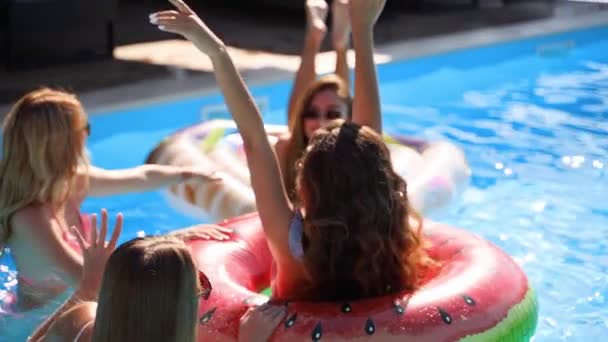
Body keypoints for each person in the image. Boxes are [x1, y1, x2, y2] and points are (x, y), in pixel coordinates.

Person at [150, 0, 430, 302]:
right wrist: (362, 31)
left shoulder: (292, 243)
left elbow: (255, 141)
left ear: (307, 183)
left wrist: (217, 52)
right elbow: (369, 140)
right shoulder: (390, 236)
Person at [0, 88, 230, 309]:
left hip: (75, 304)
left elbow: (139, 177)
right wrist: (163, 246)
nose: (88, 134)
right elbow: (87, 281)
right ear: (63, 143)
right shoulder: (30, 219)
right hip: (39, 322)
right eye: (85, 127)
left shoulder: (71, 182)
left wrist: (187, 175)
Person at [28, 210, 286, 342]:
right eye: (200, 287)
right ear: (175, 308)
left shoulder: (81, 324)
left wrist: (86, 287)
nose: (202, 295)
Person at [276, 0, 353, 200]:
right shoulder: (286, 148)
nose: (321, 123)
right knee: (295, 129)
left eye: (332, 115)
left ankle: (336, 42)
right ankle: (321, 38)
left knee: (335, 99)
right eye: (311, 114)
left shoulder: (359, 151)